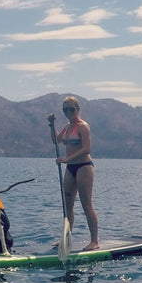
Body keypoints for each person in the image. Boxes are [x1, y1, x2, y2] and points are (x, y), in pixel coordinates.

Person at [54, 95, 99, 250]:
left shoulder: (82, 126)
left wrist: (66, 159)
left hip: (84, 167)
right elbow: (56, 141)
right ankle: (66, 239)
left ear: (78, 109)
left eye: (71, 109)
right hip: (70, 168)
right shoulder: (67, 126)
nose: (68, 112)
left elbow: (86, 148)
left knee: (86, 204)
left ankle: (94, 241)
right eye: (65, 110)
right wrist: (51, 125)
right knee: (68, 205)